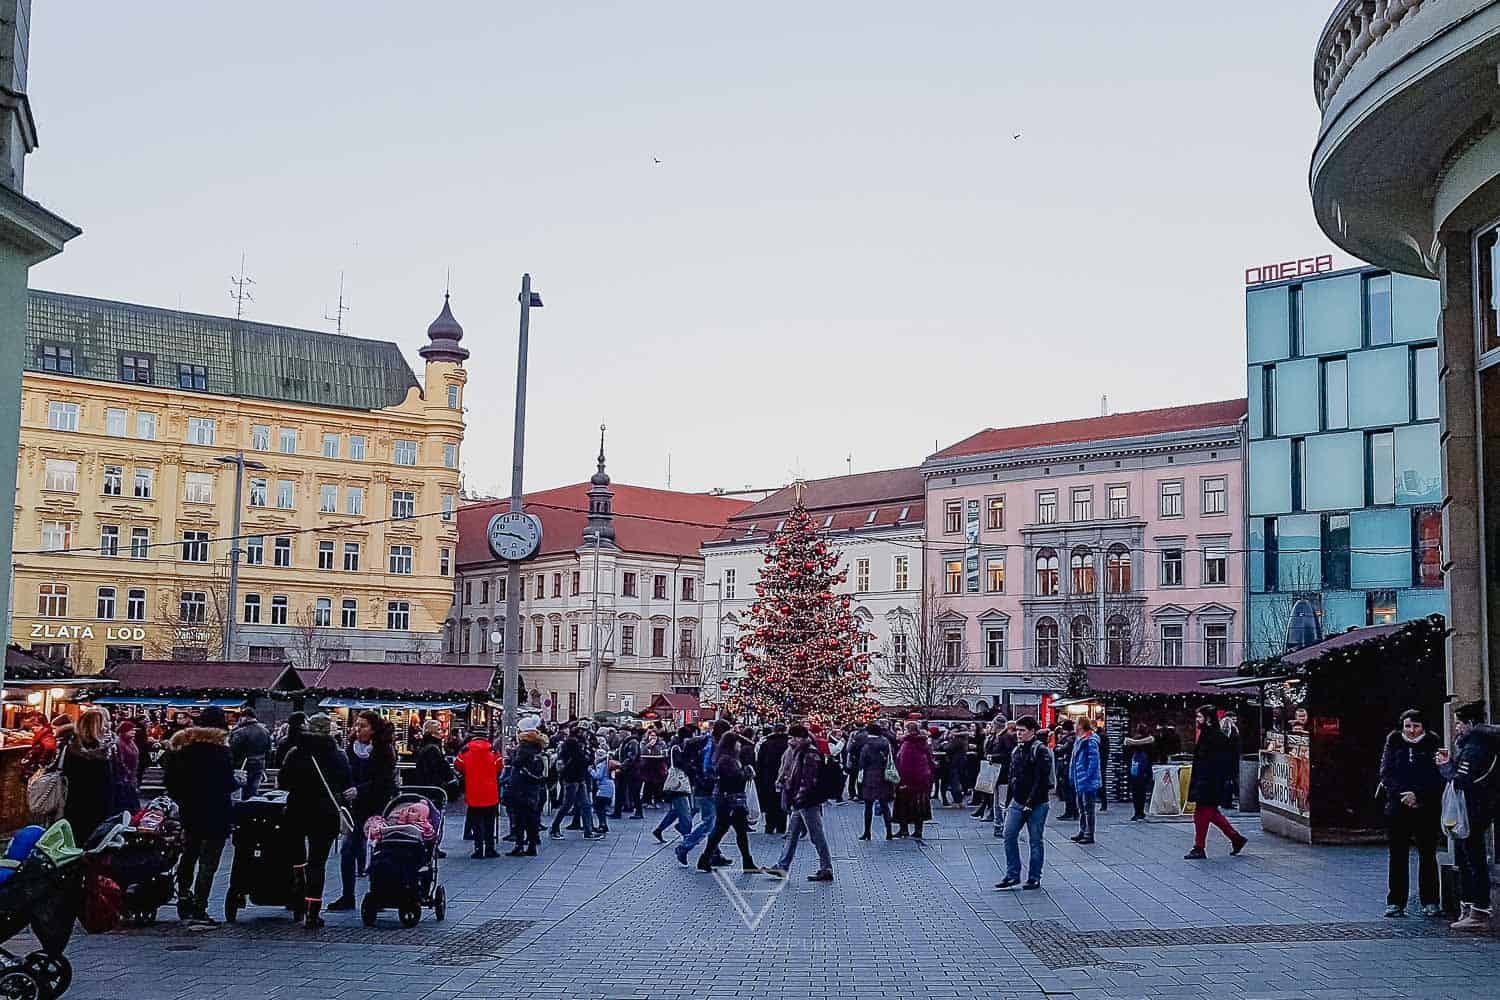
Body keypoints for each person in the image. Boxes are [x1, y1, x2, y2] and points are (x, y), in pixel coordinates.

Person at [163, 705, 238, 926]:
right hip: (216, 812)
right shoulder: (221, 752)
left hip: (190, 811)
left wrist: (183, 800)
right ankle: (199, 905)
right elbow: (226, 783)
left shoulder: (183, 749)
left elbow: (171, 782)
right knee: (208, 862)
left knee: (188, 855)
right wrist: (237, 781)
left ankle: (184, 896)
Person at [277, 713, 352, 929]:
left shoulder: (296, 752)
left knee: (297, 857)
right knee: (318, 863)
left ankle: (297, 892)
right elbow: (346, 781)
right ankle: (312, 911)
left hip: (297, 809)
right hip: (325, 813)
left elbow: (283, 781)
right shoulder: (337, 755)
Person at [1438, 700, 1500, 931]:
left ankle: (1479, 910)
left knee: (1473, 858)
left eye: (1459, 724)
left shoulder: (1476, 745)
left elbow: (1463, 778)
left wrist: (1445, 767)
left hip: (1473, 807)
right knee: (1469, 857)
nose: (1456, 728)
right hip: (1477, 806)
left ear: (1470, 723)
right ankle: (1472, 908)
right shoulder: (1478, 743)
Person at [328, 711, 398, 909]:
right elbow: (344, 774)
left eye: (363, 726)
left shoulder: (383, 751)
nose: (358, 729)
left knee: (375, 850)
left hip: (377, 807)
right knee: (348, 850)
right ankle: (347, 895)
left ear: (373, 729)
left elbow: (384, 781)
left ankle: (378, 895)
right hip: (355, 809)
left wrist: (360, 789)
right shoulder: (350, 749)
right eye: (356, 725)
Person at [1379, 708, 1443, 918]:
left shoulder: (1432, 742)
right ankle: (1396, 901)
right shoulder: (1394, 742)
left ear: (1423, 727)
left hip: (1426, 806)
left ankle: (1431, 901)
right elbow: (1387, 773)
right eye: (1408, 726)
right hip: (1398, 806)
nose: (1412, 731)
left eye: (1416, 726)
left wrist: (1418, 795)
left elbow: (1436, 775)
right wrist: (1402, 795)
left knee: (1427, 854)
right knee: (1398, 855)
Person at [764, 723, 833, 881]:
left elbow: (808, 780)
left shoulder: (809, 754)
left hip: (806, 801)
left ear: (799, 738)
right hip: (800, 801)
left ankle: (826, 867)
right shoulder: (800, 751)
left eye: (792, 737)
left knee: (816, 835)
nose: (790, 740)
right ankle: (783, 865)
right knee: (792, 834)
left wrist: (799, 797)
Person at [996, 716, 1053, 890]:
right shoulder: (1017, 750)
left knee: (1035, 840)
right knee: (1009, 835)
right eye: (1018, 731)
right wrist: (1009, 802)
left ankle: (1034, 877)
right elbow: (1013, 777)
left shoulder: (1040, 750)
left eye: (1022, 731)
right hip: (1018, 800)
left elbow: (1041, 780)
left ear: (1032, 731)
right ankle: (1013, 874)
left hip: (1037, 803)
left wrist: (1030, 802)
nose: (1019, 734)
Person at [1184, 705, 1248, 860]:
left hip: (1209, 781)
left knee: (1203, 813)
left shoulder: (1215, 737)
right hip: (1206, 780)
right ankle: (1235, 838)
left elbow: (1217, 762)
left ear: (1208, 718)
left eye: (1199, 717)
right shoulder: (1208, 734)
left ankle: (1199, 847)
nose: (1197, 720)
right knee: (1210, 813)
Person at [695, 732, 759, 873]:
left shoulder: (728, 758)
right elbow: (734, 779)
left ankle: (707, 859)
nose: (739, 745)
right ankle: (706, 859)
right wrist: (746, 773)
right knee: (724, 830)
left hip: (731, 800)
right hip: (730, 801)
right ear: (731, 744)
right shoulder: (726, 760)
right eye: (737, 742)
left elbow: (750, 745)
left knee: (730, 831)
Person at [674, 720, 733, 867]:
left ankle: (714, 853)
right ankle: (684, 846)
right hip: (707, 787)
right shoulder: (711, 745)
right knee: (709, 822)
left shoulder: (707, 742)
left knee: (715, 823)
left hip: (704, 786)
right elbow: (708, 767)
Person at [505, 718, 549, 856]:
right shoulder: (537, 746)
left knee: (519, 818)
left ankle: (519, 845)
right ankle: (532, 844)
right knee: (532, 818)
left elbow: (517, 763)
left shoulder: (523, 747)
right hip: (533, 789)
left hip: (520, 788)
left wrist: (511, 755)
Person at [456, 731, 503, 857]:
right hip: (490, 791)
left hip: (473, 790)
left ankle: (478, 849)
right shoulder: (493, 751)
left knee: (476, 822)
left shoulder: (465, 750)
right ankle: (490, 848)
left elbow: (458, 766)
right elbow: (499, 766)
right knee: (490, 821)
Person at [549, 726, 596, 840]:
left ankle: (588, 831)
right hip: (572, 777)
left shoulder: (580, 744)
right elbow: (581, 759)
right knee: (567, 804)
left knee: (585, 805)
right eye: (584, 732)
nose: (586, 734)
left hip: (579, 777)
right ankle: (554, 827)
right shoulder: (572, 743)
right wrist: (588, 756)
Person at [893, 721, 935, 840]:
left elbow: (904, 764)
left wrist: (902, 782)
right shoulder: (923, 743)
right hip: (922, 780)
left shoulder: (907, 744)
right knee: (919, 806)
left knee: (903, 805)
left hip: (908, 780)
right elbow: (930, 760)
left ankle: (904, 829)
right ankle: (918, 830)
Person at [653, 726, 694, 843]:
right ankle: (686, 834)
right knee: (685, 812)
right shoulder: (677, 748)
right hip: (678, 784)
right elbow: (680, 763)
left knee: (676, 811)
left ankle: (659, 829)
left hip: (677, 783)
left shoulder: (676, 747)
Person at [856, 721, 895, 840]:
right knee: (884, 805)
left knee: (868, 806)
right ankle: (889, 832)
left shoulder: (867, 745)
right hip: (884, 776)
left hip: (870, 776)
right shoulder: (886, 743)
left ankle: (867, 832)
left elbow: (862, 762)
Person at [1069, 716, 1102, 845]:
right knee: (1081, 808)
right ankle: (1083, 831)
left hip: (1086, 780)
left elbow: (1094, 761)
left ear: (1081, 725)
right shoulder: (1080, 739)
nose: (1074, 726)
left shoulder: (1090, 740)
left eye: (1076, 723)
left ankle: (1089, 834)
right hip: (1080, 779)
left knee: (1088, 809)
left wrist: (1087, 776)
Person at [229, 709, 272, 801]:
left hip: (243, 766)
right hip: (260, 764)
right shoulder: (265, 731)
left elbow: (233, 750)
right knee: (253, 789)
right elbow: (268, 750)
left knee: (241, 791)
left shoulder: (239, 732)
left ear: (245, 717)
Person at [755, 723, 790, 835]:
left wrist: (759, 778)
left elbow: (759, 763)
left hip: (768, 778)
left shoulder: (766, 744)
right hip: (784, 778)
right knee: (782, 802)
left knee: (770, 802)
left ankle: (770, 826)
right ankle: (781, 826)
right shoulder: (789, 744)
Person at [1123, 724, 1157, 820]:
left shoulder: (1132, 741)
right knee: (1142, 792)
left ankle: (1137, 811)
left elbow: (1126, 749)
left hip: (1135, 770)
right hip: (1145, 770)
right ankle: (1141, 811)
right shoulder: (1149, 741)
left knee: (1135, 792)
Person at [412, 719, 455, 792]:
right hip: (433, 787)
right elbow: (436, 769)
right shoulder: (432, 748)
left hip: (429, 786)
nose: (441, 732)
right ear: (432, 733)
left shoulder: (428, 745)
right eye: (439, 729)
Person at [611, 725, 642, 819]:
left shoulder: (633, 742)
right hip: (625, 771)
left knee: (634, 792)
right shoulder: (624, 742)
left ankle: (638, 812)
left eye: (621, 732)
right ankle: (617, 811)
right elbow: (620, 754)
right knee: (620, 790)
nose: (619, 734)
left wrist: (621, 766)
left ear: (626, 732)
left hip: (631, 771)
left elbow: (631, 757)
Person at [590, 750, 615, 837]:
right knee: (602, 808)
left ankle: (602, 825)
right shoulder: (607, 764)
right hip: (609, 787)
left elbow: (598, 776)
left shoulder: (600, 765)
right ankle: (603, 825)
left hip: (603, 789)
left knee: (598, 808)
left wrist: (591, 771)